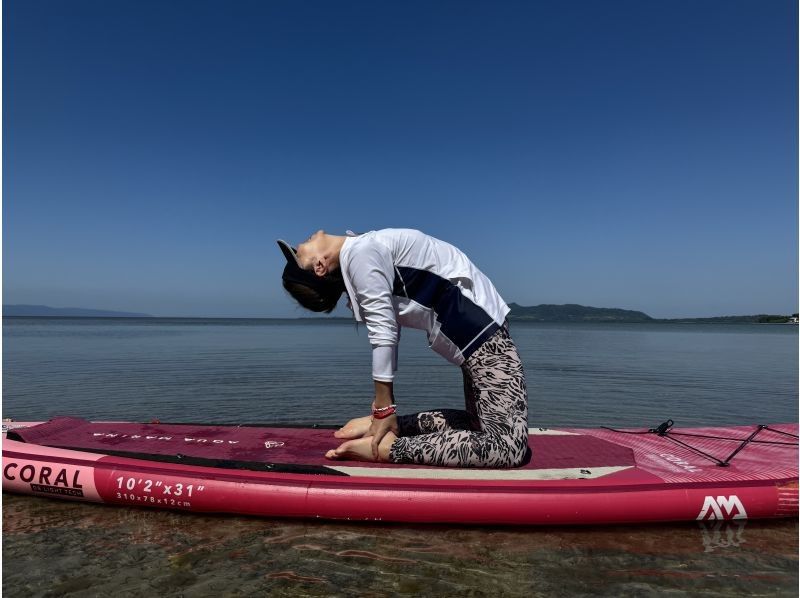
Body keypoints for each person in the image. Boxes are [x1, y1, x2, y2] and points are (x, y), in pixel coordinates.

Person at [277, 228, 529, 468]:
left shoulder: (361, 248)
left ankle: (393, 426)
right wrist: (383, 409)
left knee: (477, 426)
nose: (300, 245)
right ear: (319, 266)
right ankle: (388, 448)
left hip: (477, 334)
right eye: (300, 254)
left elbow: (389, 322)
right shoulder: (361, 253)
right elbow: (384, 330)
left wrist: (382, 414)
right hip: (485, 336)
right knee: (508, 447)